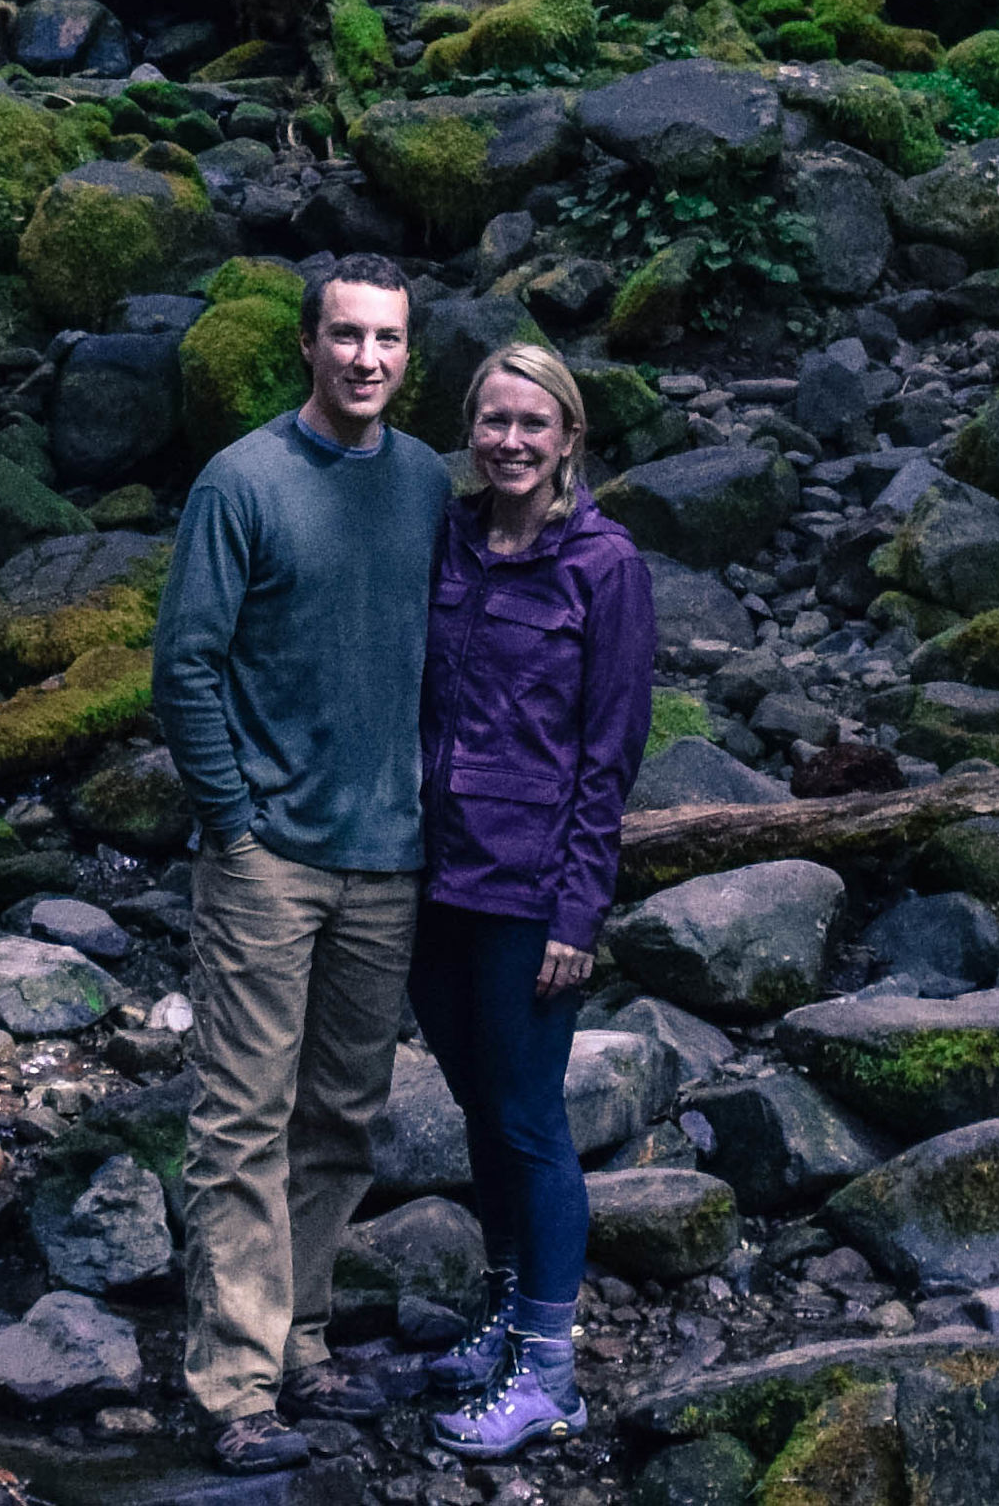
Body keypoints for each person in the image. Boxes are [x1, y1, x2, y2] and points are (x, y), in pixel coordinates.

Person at [152, 259, 453, 1475]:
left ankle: (303, 1336)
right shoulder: (243, 482)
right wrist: (233, 822)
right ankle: (235, 1387)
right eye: (346, 336)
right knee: (242, 1119)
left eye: (388, 340)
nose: (367, 359)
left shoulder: (428, 481)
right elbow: (185, 665)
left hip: (388, 857)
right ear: (307, 345)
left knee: (341, 1116)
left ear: (408, 352)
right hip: (267, 858)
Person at [406, 341, 652, 1455]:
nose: (510, 441)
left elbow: (609, 756)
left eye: (532, 423)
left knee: (528, 1118)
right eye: (494, 420)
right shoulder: (448, 537)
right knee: (479, 1108)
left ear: (569, 437)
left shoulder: (604, 564)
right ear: (472, 428)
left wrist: (577, 913)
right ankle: (506, 1319)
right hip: (432, 875)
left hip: (527, 886)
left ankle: (549, 1372)